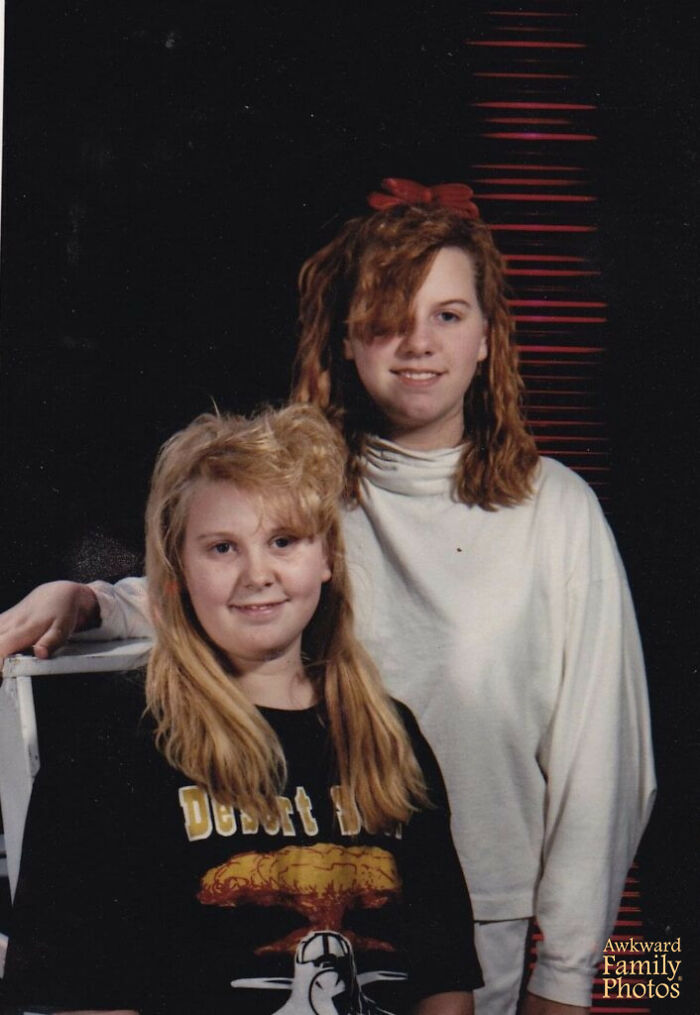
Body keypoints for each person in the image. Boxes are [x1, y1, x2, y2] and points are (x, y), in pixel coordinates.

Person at [0, 178, 655, 1015]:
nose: (418, 343)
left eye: (448, 315)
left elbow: (606, 768)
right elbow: (222, 584)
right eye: (387, 316)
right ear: (346, 336)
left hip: (481, 925)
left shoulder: (556, 508)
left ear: (488, 337)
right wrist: (88, 600)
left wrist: (564, 978)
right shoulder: (313, 486)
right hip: (293, 881)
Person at [3, 404, 482, 1015]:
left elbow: (445, 983)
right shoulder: (113, 746)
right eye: (223, 547)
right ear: (177, 571)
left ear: (326, 557)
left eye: (284, 540)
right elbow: (82, 997)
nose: (258, 574)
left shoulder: (391, 735)